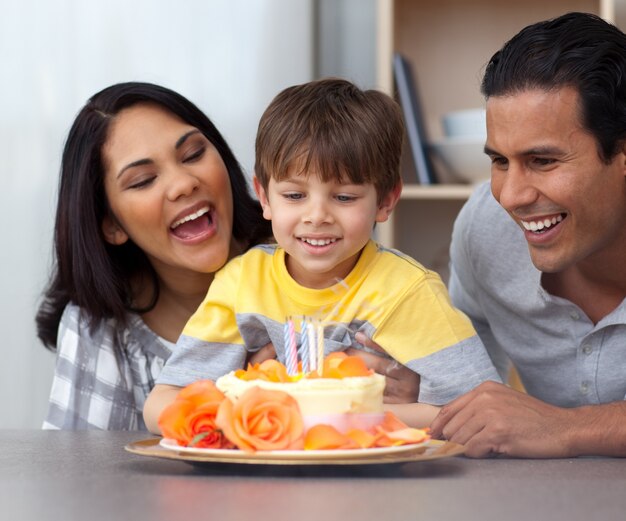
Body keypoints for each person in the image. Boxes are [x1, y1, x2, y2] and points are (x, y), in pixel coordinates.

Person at [37, 81, 419, 430]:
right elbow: (85, 480)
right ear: (111, 224)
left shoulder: (318, 251)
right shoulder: (98, 327)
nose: (184, 183)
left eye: (193, 153)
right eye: (143, 180)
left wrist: (406, 397)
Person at [143, 78, 500, 433]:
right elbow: (162, 403)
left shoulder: (406, 292)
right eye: (295, 196)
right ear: (264, 197)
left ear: (386, 200)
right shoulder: (242, 285)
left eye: (344, 197)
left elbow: (481, 414)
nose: (317, 216)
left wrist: (328, 418)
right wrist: (252, 412)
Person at [429, 12, 626, 458]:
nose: (511, 197)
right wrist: (426, 384)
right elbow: (470, 382)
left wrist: (567, 427)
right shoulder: (485, 228)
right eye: (500, 161)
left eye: (543, 161)